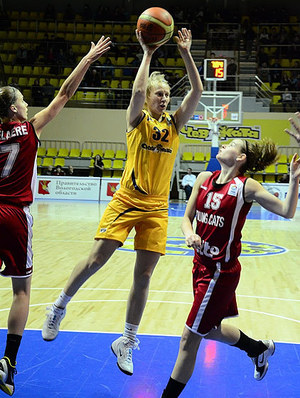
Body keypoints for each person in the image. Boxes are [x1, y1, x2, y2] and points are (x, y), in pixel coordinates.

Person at [42, 27, 203, 377]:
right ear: (147, 98)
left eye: (165, 95)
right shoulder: (137, 120)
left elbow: (197, 91)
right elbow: (136, 90)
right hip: (128, 199)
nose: (163, 99)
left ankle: (127, 341)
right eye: (158, 94)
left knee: (143, 275)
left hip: (157, 208)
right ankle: (58, 306)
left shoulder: (175, 125)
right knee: (98, 258)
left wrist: (186, 52)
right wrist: (147, 52)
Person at [0, 35, 111, 396]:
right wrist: (88, 58)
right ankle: (9, 363)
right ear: (15, 110)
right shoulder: (30, 128)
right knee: (21, 292)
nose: (27, 103)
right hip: (15, 214)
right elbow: (64, 93)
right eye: (22, 100)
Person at [161, 138, 300, 397]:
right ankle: (257, 349)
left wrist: (294, 179)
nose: (223, 144)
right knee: (210, 328)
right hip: (199, 266)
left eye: (230, 144)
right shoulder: (203, 177)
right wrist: (189, 234)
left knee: (189, 339)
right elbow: (186, 219)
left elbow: (287, 211)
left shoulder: (246, 186)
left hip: (220, 273)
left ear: (240, 158)